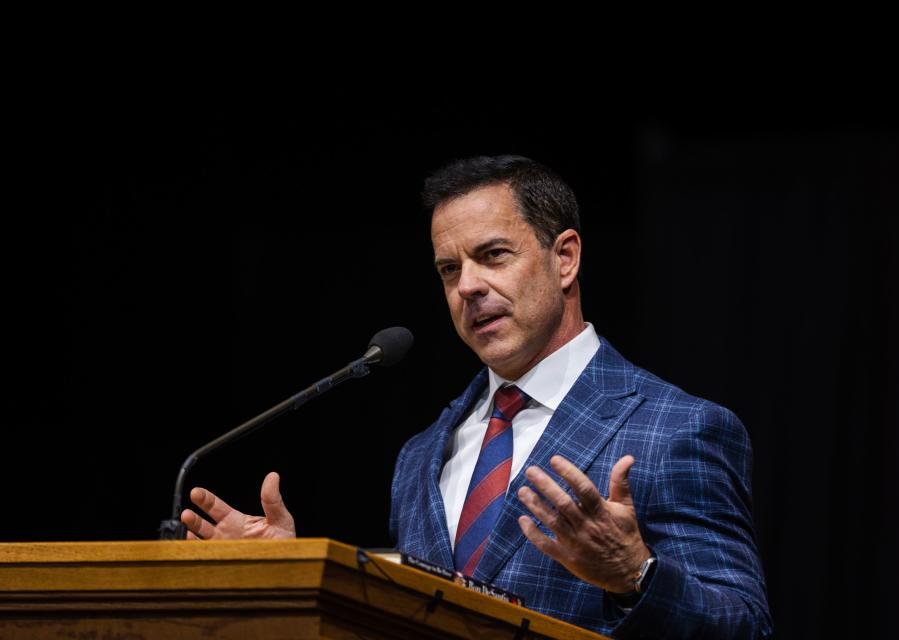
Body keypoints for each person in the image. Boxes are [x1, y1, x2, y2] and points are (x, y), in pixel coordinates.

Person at [181, 156, 773, 639]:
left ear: (564, 257)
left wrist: (634, 575)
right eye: (447, 269)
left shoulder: (678, 427)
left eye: (493, 255)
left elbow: (745, 628)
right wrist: (305, 576)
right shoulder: (420, 456)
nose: (467, 286)